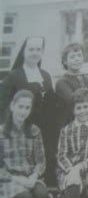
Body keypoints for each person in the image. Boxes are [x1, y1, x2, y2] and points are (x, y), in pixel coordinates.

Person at [0, 36, 58, 186]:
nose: (35, 53)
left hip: (44, 132)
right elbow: (4, 105)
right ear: (24, 51)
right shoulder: (13, 76)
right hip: (23, 133)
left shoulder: (45, 75)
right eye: (31, 49)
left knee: (44, 170)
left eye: (38, 49)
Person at [55, 43, 88, 128]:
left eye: (79, 56)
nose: (77, 59)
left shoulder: (86, 79)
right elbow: (73, 102)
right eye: (72, 57)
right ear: (65, 61)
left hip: (87, 122)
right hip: (70, 125)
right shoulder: (62, 82)